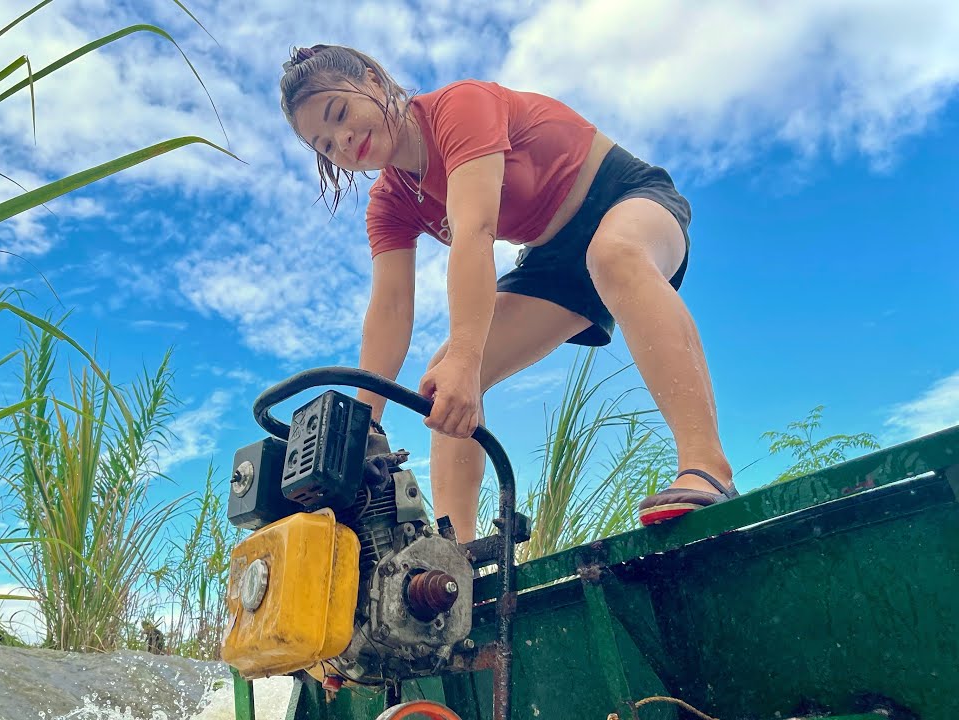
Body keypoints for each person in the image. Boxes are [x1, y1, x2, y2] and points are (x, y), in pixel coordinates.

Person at [278, 44, 738, 540]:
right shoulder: (388, 201)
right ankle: (459, 556)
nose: (344, 141)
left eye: (340, 114)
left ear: (371, 79)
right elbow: (390, 308)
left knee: (613, 253)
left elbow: (474, 233)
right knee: (442, 375)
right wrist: (362, 425)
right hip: (552, 261)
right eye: (325, 145)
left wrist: (468, 360)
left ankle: (707, 466)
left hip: (625, 199)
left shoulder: (458, 107)